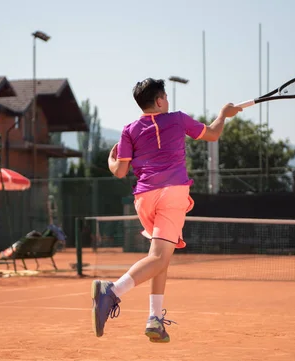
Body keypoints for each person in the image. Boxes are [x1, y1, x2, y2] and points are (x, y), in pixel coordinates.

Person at [91, 78, 242, 343]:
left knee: (159, 256)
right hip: (172, 194)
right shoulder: (178, 119)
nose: (168, 101)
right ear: (160, 100)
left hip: (144, 199)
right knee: (160, 258)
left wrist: (110, 160)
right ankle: (111, 291)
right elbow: (214, 134)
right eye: (166, 97)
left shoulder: (128, 130)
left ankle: (155, 319)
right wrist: (223, 114)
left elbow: (120, 171)